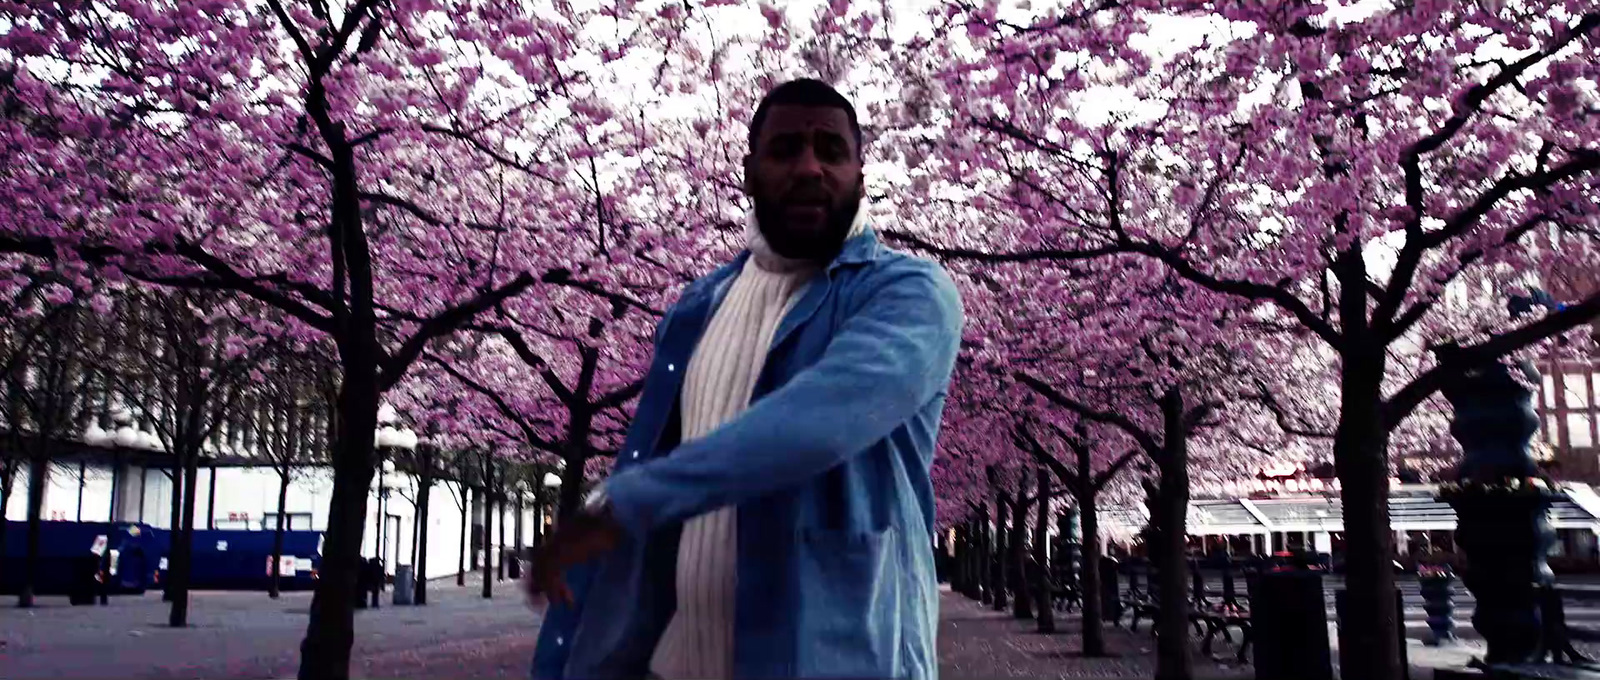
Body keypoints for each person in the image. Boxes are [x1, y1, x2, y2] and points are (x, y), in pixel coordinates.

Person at [525, 78, 964, 680]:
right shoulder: (696, 308)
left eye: (830, 151)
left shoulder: (909, 294)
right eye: (785, 150)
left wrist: (625, 505)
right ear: (749, 173)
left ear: (861, 176)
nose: (810, 167)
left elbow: (816, 422)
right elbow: (654, 460)